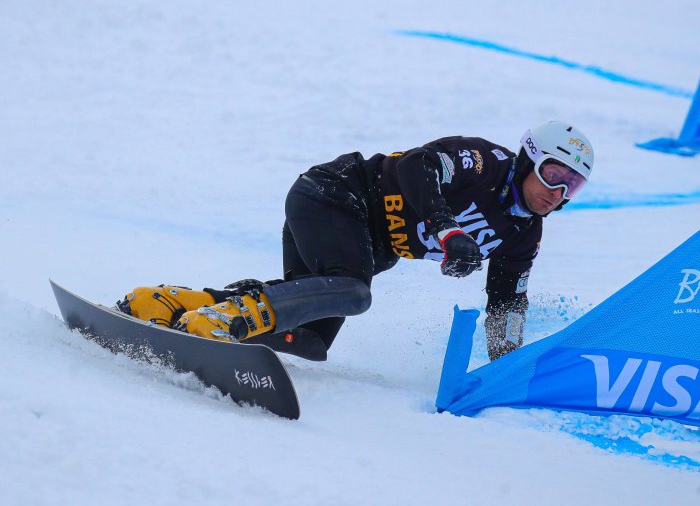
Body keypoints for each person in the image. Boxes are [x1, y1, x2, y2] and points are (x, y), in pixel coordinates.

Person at [116, 121, 594, 361]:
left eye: (571, 186)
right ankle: (224, 320)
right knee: (352, 292)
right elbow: (415, 165)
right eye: (554, 174)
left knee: (307, 339)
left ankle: (172, 305)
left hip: (358, 241)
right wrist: (449, 230)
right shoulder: (486, 162)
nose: (556, 193)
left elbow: (507, 302)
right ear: (529, 159)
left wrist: (505, 366)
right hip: (333, 194)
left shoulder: (523, 232)